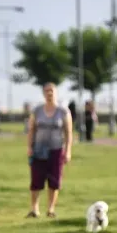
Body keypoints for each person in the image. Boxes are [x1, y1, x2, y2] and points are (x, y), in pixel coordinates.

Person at [26, 83, 72, 218]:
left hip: (56, 150)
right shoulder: (37, 111)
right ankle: (34, 209)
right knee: (36, 180)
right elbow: (32, 130)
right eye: (46, 91)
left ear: (56, 93)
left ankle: (51, 209)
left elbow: (68, 133)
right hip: (39, 150)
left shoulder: (63, 112)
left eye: (51, 91)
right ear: (43, 93)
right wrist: (29, 147)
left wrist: (68, 151)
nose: (49, 93)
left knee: (54, 180)